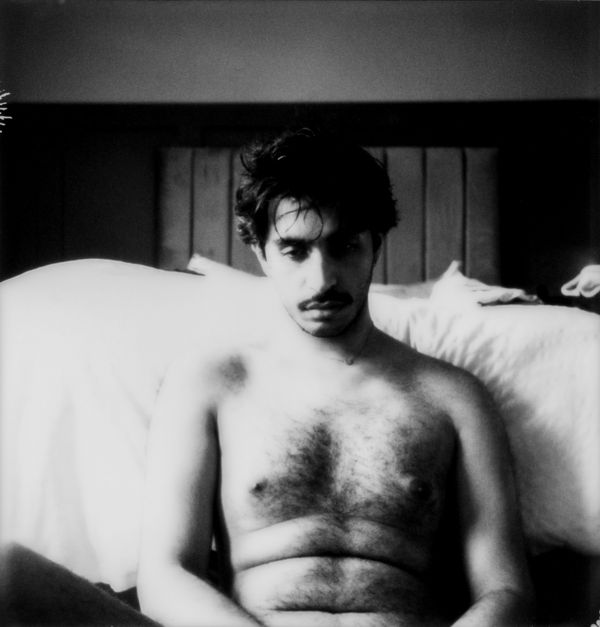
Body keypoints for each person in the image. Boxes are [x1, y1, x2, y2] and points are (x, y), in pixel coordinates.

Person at [136, 128, 533, 627]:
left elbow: (507, 590)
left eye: (344, 246)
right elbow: (165, 576)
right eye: (294, 250)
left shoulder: (454, 398)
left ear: (375, 245)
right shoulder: (211, 383)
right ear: (260, 253)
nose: (322, 279)